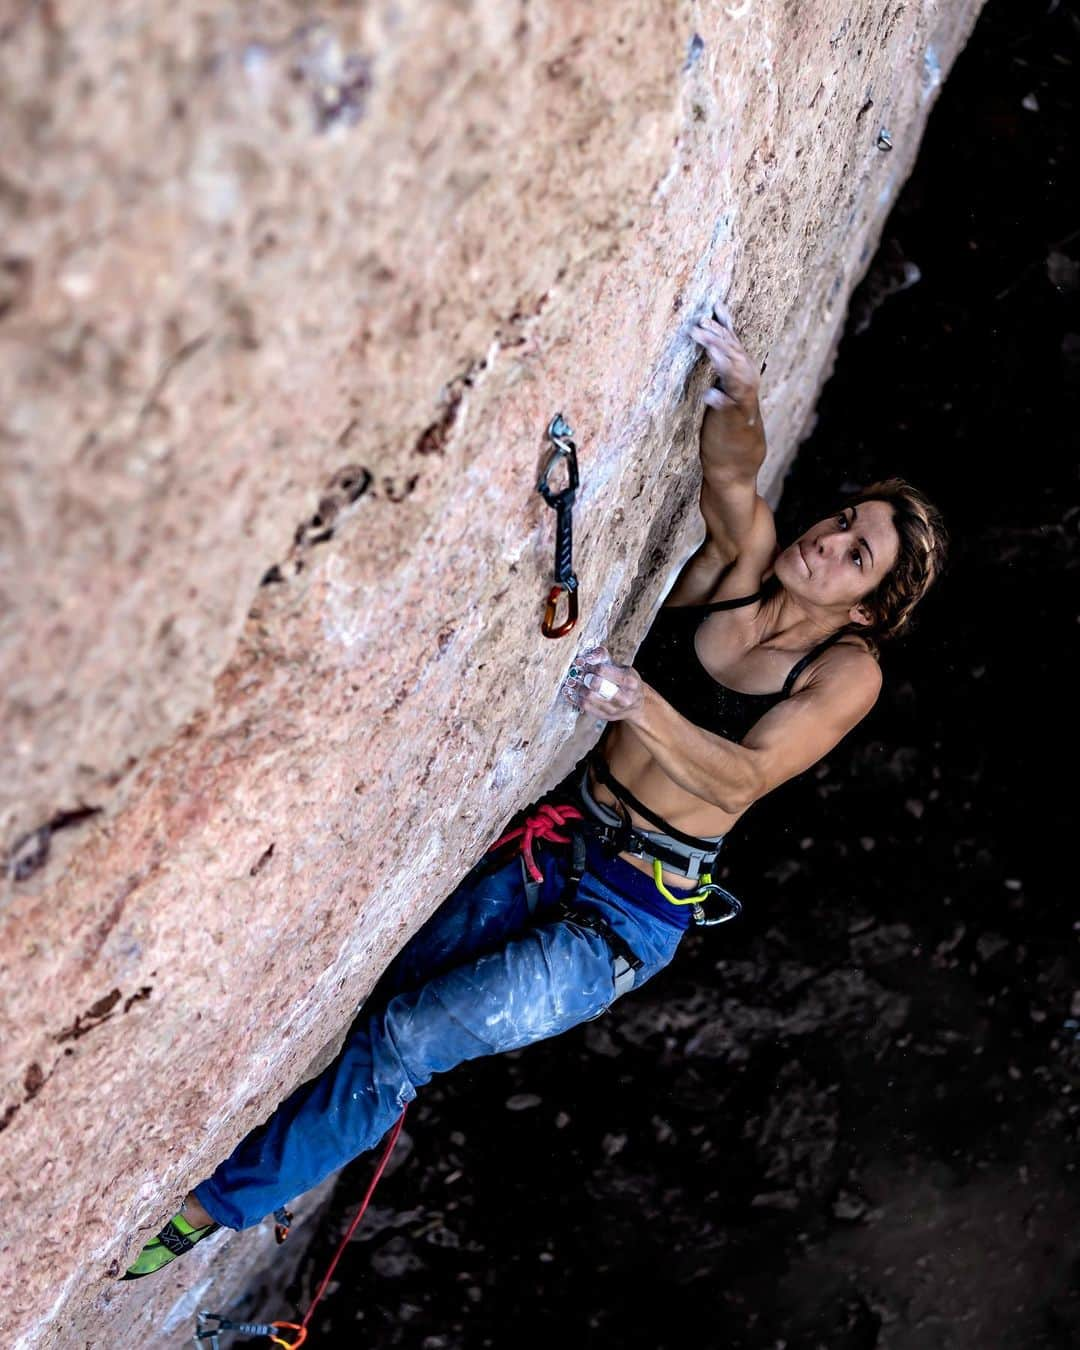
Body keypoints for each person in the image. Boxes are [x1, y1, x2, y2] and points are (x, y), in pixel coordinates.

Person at [123, 307, 946, 1278]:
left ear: (868, 607)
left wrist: (640, 703)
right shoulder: (743, 564)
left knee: (413, 1031)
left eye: (859, 556)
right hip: (558, 843)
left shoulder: (848, 673)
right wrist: (745, 391)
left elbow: (748, 774)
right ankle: (306, 1162)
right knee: (392, 999)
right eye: (845, 521)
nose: (831, 540)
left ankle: (210, 1210)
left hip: (626, 917)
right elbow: (731, 471)